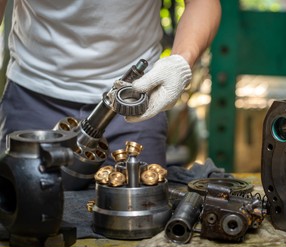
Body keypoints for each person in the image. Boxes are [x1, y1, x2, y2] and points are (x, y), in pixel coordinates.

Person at [0, 0, 221, 167]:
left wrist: (181, 62)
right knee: (21, 217)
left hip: (134, 109)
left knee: (144, 215)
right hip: (33, 99)